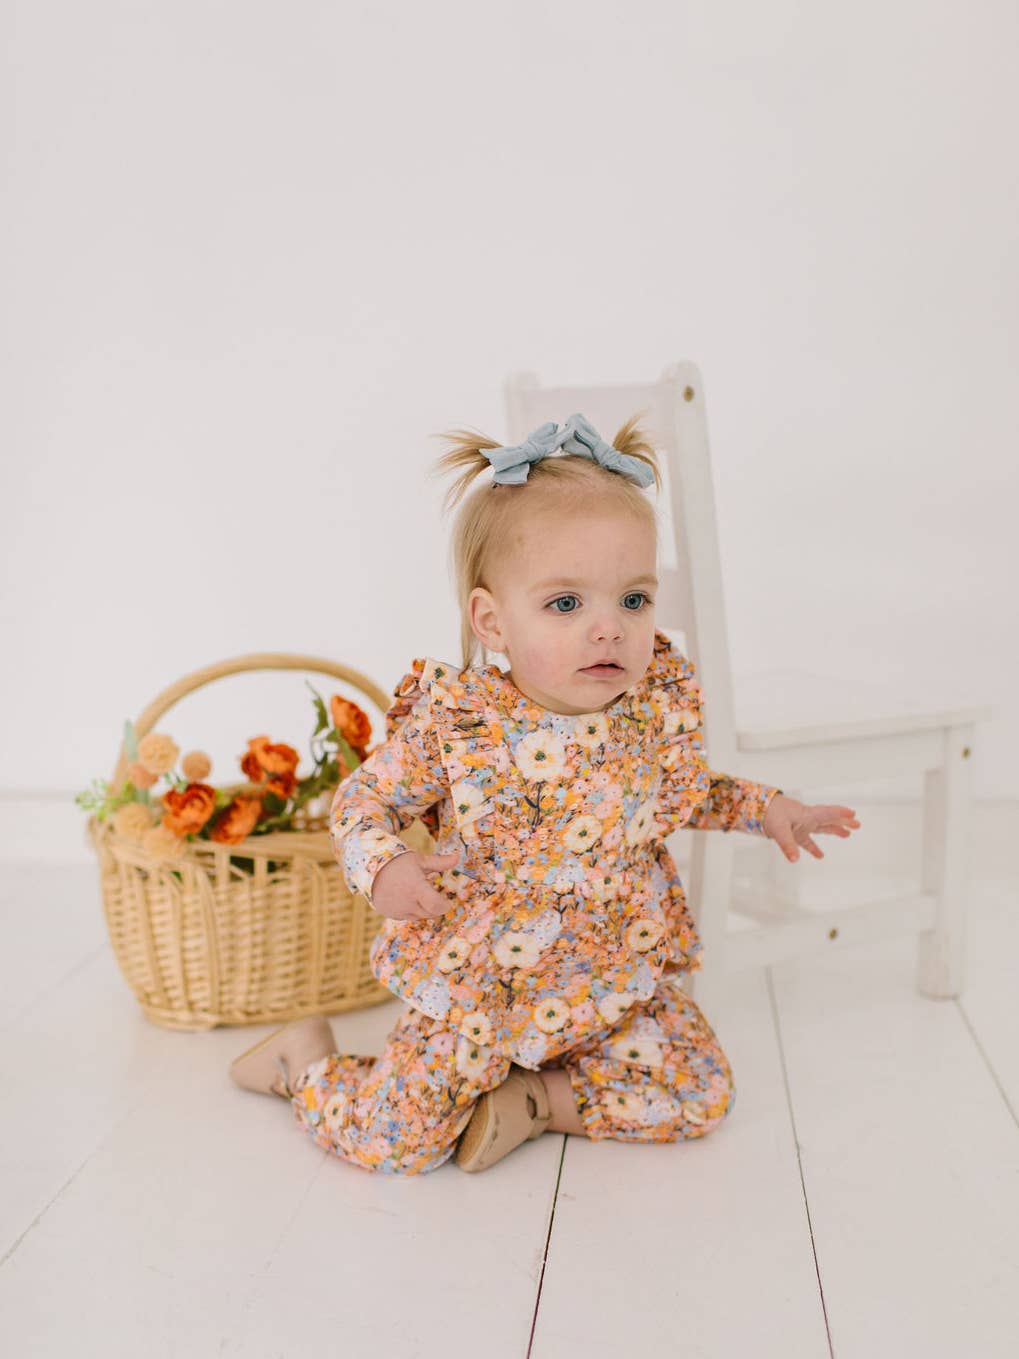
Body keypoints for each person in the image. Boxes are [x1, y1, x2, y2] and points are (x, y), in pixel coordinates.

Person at [229, 411, 861, 1174]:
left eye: (633, 600)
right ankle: (305, 1064)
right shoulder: (460, 725)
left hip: (608, 983)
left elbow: (684, 792)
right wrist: (385, 865)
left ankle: (531, 1101)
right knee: (395, 1143)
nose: (610, 629)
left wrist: (767, 809)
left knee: (700, 1092)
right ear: (491, 621)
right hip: (480, 994)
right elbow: (362, 803)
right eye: (566, 604)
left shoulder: (645, 711)